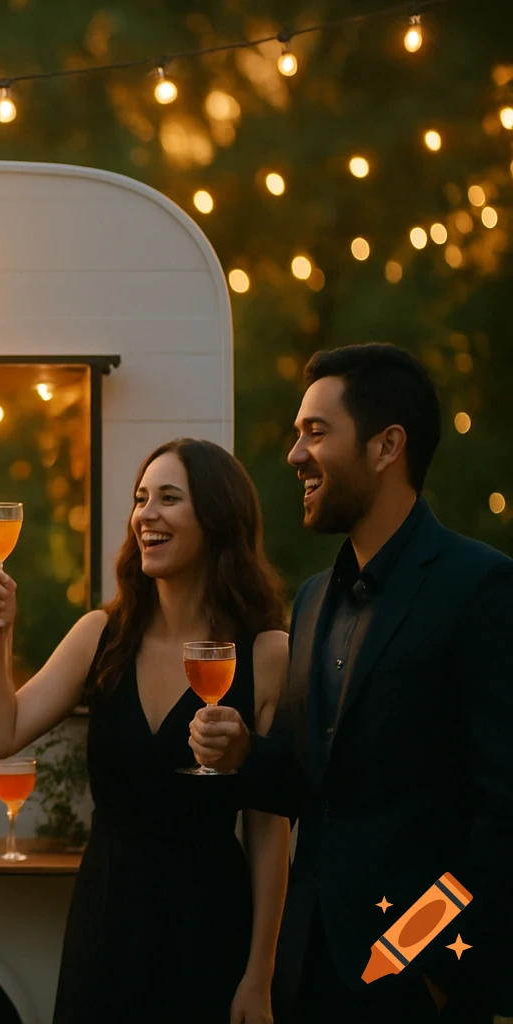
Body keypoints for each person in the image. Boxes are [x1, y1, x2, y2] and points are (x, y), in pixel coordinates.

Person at [191, 344, 513, 1024]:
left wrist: (422, 962)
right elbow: (320, 788)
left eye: (316, 432)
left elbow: (502, 811)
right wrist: (245, 754)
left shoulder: (480, 587)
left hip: (415, 985)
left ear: (386, 446)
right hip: (310, 975)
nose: (293, 455)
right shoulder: (310, 601)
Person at [0, 438, 291, 1024]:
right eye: (141, 498)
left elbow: (270, 833)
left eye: (170, 498)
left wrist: (259, 977)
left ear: (217, 518)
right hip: (107, 921)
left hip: (209, 924)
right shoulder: (101, 635)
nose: (146, 514)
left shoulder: (267, 654)